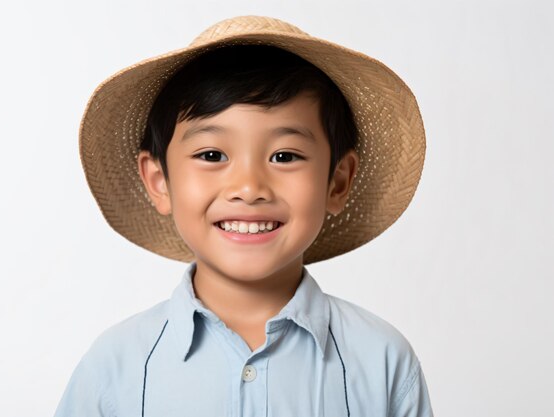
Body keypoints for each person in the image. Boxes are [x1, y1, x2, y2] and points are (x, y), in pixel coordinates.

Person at [54, 15, 434, 417]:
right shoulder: (114, 368)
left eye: (284, 156)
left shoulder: (382, 361)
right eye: (212, 155)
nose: (249, 187)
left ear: (337, 183)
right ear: (159, 181)